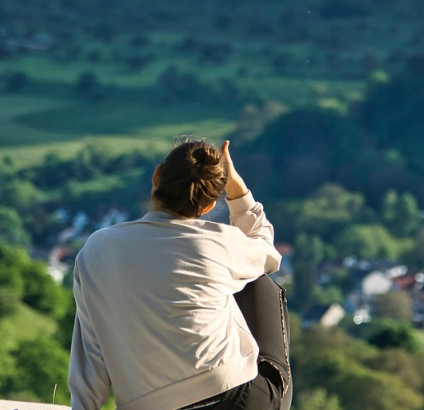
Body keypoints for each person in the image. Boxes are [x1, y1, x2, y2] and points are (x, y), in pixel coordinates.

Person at [69, 138, 292, 410]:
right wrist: (236, 189)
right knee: (257, 282)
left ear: (157, 176)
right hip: (234, 398)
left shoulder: (96, 249)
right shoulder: (220, 242)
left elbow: (90, 348)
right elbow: (265, 250)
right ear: (209, 206)